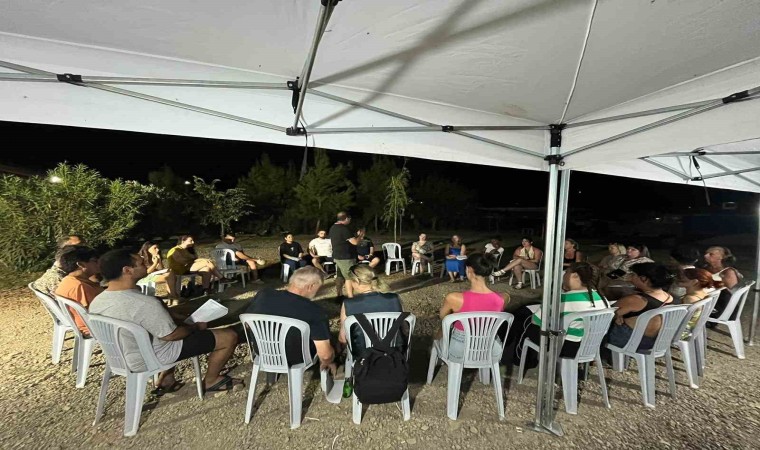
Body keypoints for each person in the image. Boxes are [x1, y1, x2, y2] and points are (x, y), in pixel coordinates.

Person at [90, 248, 241, 393]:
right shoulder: (143, 303)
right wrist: (196, 327)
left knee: (167, 328)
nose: (146, 265)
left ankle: (167, 379)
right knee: (228, 336)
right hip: (150, 357)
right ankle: (211, 380)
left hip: (121, 357)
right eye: (141, 263)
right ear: (127, 270)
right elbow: (172, 335)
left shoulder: (97, 301)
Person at [504, 262, 608, 368]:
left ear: (575, 276)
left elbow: (536, 321)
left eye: (566, 272)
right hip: (590, 347)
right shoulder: (602, 298)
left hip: (566, 349)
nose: (564, 275)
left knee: (526, 320)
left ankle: (522, 360)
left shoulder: (561, 299)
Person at [244, 266, 336, 374]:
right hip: (296, 359)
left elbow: (248, 324)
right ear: (311, 286)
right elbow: (325, 355)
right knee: (330, 341)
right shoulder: (315, 311)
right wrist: (329, 361)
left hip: (262, 352)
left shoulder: (263, 294)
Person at [436, 253, 508, 359]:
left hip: (461, 348)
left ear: (469, 270)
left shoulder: (454, 298)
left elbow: (443, 318)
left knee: (441, 331)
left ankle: (436, 358)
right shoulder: (504, 298)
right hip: (491, 349)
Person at [606, 263, 675, 352]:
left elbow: (606, 315)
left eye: (633, 275)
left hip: (629, 341)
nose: (631, 277)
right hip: (656, 341)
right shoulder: (670, 297)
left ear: (643, 278)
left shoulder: (636, 300)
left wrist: (617, 316)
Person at [339, 264, 403, 355]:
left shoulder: (348, 304)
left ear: (356, 282)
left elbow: (343, 338)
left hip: (363, 354)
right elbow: (402, 328)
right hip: (394, 351)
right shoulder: (394, 298)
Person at [54, 246, 102, 335]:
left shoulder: (68, 281)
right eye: (95, 261)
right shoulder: (80, 286)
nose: (99, 263)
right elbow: (100, 311)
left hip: (84, 325)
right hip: (94, 328)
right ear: (81, 265)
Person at [679, 268, 723, 339]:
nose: (679, 279)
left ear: (694, 282)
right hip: (692, 332)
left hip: (681, 334)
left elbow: (680, 319)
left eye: (682, 278)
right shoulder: (704, 295)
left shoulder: (690, 299)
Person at [702, 246, 743, 319]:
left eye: (711, 254)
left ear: (721, 257)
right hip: (710, 302)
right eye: (706, 253)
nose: (705, 255)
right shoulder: (706, 268)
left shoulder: (728, 272)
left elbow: (732, 293)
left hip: (723, 308)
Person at [329, 211, 358, 298]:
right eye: (349, 219)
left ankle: (339, 295)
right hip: (345, 257)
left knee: (340, 275)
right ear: (346, 218)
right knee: (349, 277)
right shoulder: (344, 229)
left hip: (337, 255)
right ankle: (351, 297)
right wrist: (360, 236)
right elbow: (355, 242)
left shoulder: (333, 227)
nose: (350, 220)